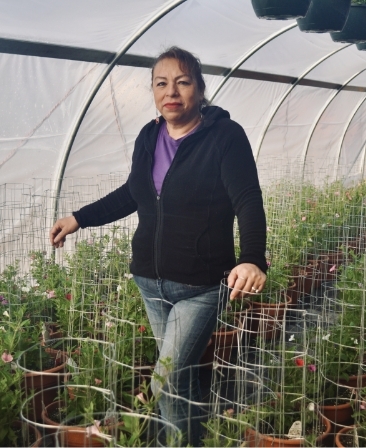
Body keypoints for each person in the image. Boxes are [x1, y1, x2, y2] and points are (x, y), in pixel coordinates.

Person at [50, 46, 267, 446]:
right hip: (150, 282)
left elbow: (248, 199)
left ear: (200, 90)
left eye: (183, 82)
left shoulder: (224, 137)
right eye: (161, 83)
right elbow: (133, 193)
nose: (172, 91)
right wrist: (79, 217)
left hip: (200, 286)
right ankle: (195, 435)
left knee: (164, 380)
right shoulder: (149, 136)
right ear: (152, 90)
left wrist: (252, 258)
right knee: (179, 377)